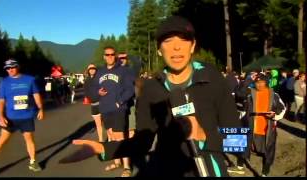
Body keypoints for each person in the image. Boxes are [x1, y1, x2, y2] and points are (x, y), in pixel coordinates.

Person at [62, 16, 240, 177]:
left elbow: (239, 140)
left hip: (211, 170)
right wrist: (103, 148)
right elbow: (143, 141)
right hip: (167, 170)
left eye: (184, 40)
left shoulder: (213, 78)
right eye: (168, 41)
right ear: (159, 50)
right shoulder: (151, 88)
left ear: (192, 46)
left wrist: (204, 137)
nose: (176, 46)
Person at [0, 59, 44, 172]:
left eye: (12, 67)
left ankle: (33, 162)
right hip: (10, 118)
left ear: (17, 67)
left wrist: (41, 109)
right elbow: (1, 101)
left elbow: (36, 95)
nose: (10, 70)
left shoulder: (30, 80)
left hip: (26, 117)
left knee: (29, 139)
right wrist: (0, 116)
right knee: (2, 141)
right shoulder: (4, 82)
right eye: (7, 68)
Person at [234, 73, 286, 177]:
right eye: (257, 82)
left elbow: (282, 109)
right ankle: (239, 167)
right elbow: (238, 94)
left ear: (266, 83)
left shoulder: (274, 95)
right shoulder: (250, 93)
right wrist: (248, 80)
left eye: (262, 82)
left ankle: (264, 173)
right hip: (250, 127)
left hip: (267, 130)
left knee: (268, 153)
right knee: (243, 145)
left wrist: (274, 115)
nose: (259, 85)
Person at [96, 46, 135, 177]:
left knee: (120, 138)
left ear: (115, 55)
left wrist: (120, 102)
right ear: (104, 56)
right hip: (105, 109)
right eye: (107, 55)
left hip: (118, 109)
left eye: (112, 54)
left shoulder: (123, 71)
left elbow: (130, 90)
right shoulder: (100, 72)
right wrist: (98, 92)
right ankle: (116, 162)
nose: (110, 57)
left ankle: (127, 167)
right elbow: (95, 88)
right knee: (111, 137)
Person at [83, 64, 104, 142]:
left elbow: (104, 90)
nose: (92, 70)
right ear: (88, 70)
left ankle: (110, 140)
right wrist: (96, 94)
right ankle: (101, 141)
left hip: (102, 104)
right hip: (94, 105)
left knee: (107, 124)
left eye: (93, 68)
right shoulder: (86, 81)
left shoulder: (100, 79)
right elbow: (87, 94)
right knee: (98, 125)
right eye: (90, 69)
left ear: (96, 69)